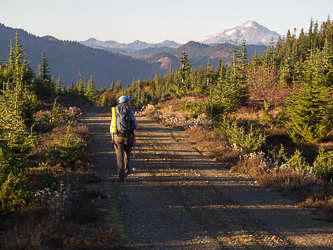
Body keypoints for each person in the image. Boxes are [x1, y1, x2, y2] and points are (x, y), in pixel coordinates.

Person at [110, 96, 137, 182]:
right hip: (128, 136)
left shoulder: (115, 112)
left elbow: (112, 127)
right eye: (128, 101)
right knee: (127, 155)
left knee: (119, 156)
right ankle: (126, 172)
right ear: (125, 102)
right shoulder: (130, 112)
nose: (129, 103)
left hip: (117, 136)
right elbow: (135, 125)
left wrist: (113, 138)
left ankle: (121, 175)